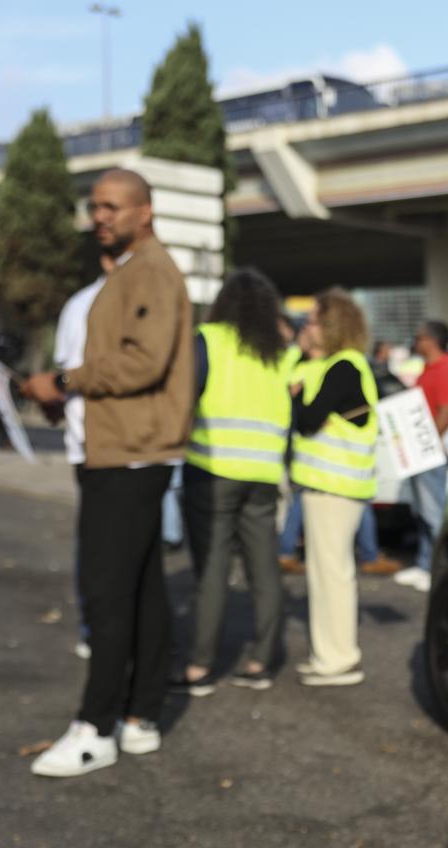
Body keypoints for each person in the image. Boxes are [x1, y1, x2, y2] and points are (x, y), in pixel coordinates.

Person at [22, 168, 195, 777]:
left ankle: (96, 728)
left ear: (144, 212)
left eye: (113, 207)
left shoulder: (150, 271)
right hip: (124, 451)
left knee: (107, 593)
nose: (100, 217)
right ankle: (141, 716)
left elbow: (142, 361)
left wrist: (64, 380)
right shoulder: (132, 272)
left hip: (129, 455)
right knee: (143, 589)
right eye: (95, 207)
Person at [171, 268, 292, 697]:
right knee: (264, 568)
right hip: (262, 475)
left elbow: (183, 395)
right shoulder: (278, 352)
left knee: (212, 571)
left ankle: (200, 666)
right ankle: (262, 659)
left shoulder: (209, 340)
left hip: (213, 470)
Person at [290, 288, 379, 686]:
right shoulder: (341, 365)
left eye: (311, 321)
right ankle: (329, 654)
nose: (305, 328)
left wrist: (295, 398)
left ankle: (339, 658)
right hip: (331, 487)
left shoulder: (343, 366)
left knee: (332, 574)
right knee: (326, 573)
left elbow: (307, 419)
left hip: (335, 487)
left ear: (331, 326)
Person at [49, 250, 117, 661]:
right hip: (113, 444)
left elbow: (64, 375)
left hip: (86, 442)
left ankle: (95, 629)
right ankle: (104, 630)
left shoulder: (76, 305)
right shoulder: (97, 304)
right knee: (114, 546)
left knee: (94, 544)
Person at [393, 319, 448, 592]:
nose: (416, 342)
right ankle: (424, 565)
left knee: (433, 515)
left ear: (432, 341)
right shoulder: (430, 371)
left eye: (419, 337)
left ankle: (439, 570)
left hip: (428, 455)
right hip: (420, 453)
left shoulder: (444, 372)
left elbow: (444, 412)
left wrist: (425, 445)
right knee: (422, 513)